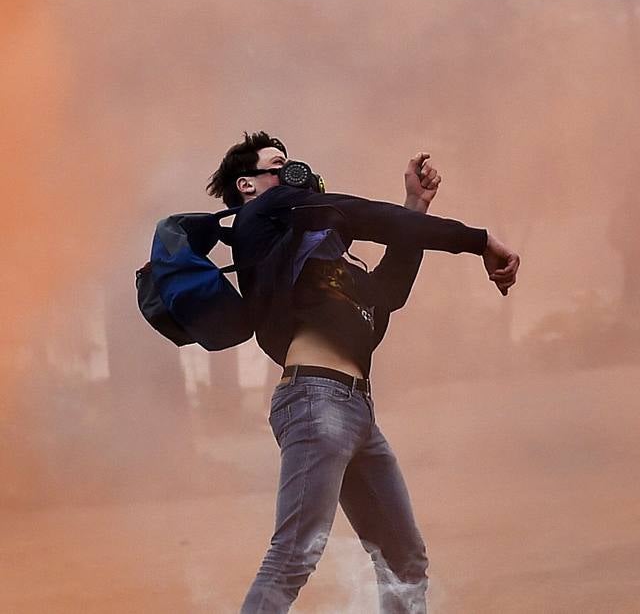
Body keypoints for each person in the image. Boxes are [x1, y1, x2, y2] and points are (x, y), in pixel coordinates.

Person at [205, 132, 519, 614]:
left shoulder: (316, 253)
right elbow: (362, 214)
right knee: (293, 556)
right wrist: (476, 241)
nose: (299, 173)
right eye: (282, 166)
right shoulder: (263, 214)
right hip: (315, 401)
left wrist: (416, 207)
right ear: (247, 185)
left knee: (404, 560)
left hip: (356, 411)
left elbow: (387, 294)